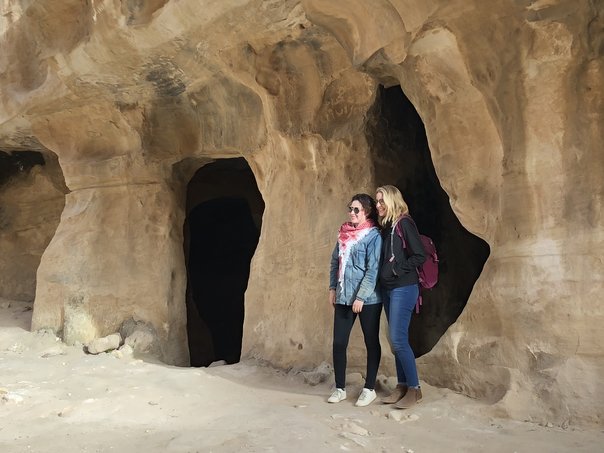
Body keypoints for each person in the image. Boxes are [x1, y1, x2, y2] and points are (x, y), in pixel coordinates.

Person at [328, 193, 383, 407]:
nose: (352, 212)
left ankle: (369, 389)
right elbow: (335, 262)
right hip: (344, 296)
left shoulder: (373, 236)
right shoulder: (343, 233)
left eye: (356, 209)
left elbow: (373, 269)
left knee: (371, 342)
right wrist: (332, 288)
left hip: (368, 299)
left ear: (366, 212)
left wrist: (361, 296)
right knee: (339, 343)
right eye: (350, 208)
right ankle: (340, 388)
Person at [375, 185, 426, 409]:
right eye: (377, 201)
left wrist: (396, 270)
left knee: (398, 339)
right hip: (389, 290)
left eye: (381, 201)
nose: (378, 205)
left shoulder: (404, 223)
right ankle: (402, 386)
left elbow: (419, 255)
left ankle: (415, 389)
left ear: (392, 201)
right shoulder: (387, 227)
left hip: (404, 288)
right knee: (395, 340)